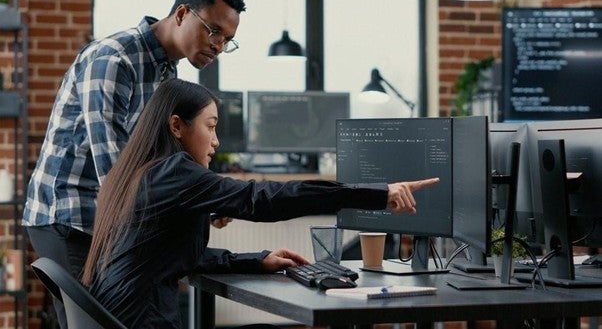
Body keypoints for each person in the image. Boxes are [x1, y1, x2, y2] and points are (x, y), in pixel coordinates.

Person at [80, 78, 440, 329]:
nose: (216, 141)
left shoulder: (136, 173)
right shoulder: (173, 172)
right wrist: (377, 193)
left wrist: (257, 260)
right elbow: (261, 199)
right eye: (210, 126)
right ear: (177, 126)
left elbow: (175, 255)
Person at [23, 0, 242, 328]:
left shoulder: (167, 75)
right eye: (213, 31)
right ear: (183, 13)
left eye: (227, 40)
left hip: (109, 219)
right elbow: (114, 167)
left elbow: (162, 160)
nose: (218, 45)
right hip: (70, 213)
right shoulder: (114, 59)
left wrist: (206, 197)